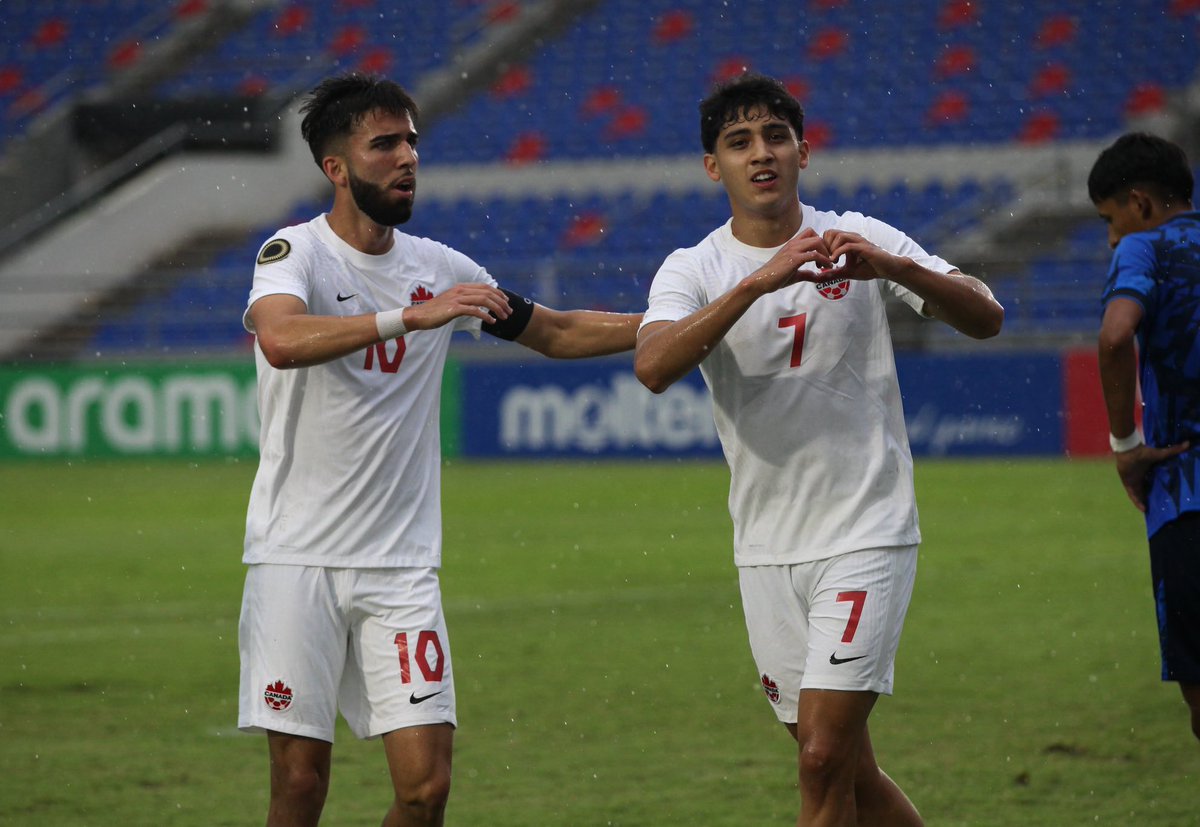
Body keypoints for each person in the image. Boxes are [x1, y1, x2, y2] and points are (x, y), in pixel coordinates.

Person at [237, 73, 641, 827]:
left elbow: (554, 331)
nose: (406, 158)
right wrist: (407, 319)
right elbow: (282, 339)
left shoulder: (442, 269)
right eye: (384, 144)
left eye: (412, 142)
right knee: (299, 786)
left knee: (425, 792)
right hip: (296, 558)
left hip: (401, 568)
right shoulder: (295, 251)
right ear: (336, 167)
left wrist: (684, 320)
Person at [634, 73, 1004, 826]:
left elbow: (987, 314)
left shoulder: (860, 235)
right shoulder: (694, 267)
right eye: (739, 142)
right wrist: (757, 284)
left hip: (865, 529)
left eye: (775, 136)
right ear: (714, 166)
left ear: (804, 150)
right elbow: (654, 365)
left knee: (821, 758)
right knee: (848, 769)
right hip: (766, 546)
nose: (761, 153)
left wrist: (895, 267)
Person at [1090, 131, 1200, 743]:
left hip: (1188, 491)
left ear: (1141, 203)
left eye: (1111, 219)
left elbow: (1113, 338)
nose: (1111, 236)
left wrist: (1125, 445)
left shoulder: (1145, 248)